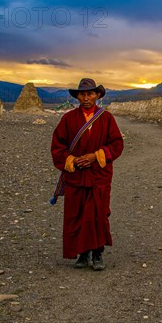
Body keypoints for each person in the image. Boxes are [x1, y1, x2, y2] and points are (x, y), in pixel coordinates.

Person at [51, 78, 124, 270]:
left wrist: (95, 156)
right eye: (82, 94)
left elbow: (117, 144)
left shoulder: (107, 119)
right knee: (77, 215)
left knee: (98, 214)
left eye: (90, 94)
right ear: (77, 97)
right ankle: (82, 255)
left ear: (97, 95)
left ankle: (97, 254)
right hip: (76, 177)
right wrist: (72, 160)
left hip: (99, 176)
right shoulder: (68, 119)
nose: (86, 98)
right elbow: (58, 146)